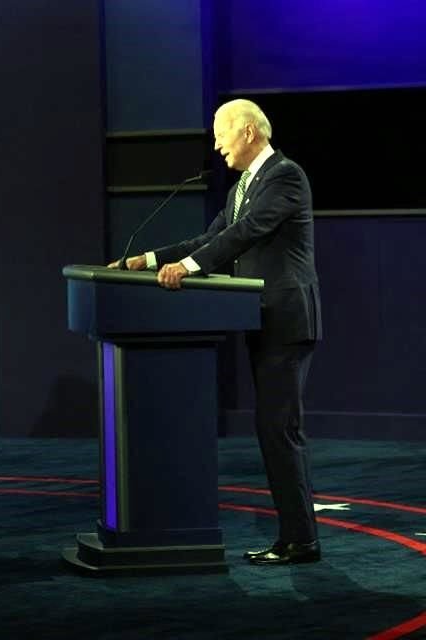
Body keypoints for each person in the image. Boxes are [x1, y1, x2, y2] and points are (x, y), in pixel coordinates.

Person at [109, 99, 322, 566]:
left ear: (247, 132)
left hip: (286, 321)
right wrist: (145, 261)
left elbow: (246, 233)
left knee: (279, 430)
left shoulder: (285, 175)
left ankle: (301, 539)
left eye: (220, 132)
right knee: (272, 430)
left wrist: (185, 269)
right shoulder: (244, 185)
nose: (217, 143)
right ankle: (296, 535)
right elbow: (211, 239)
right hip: (262, 321)